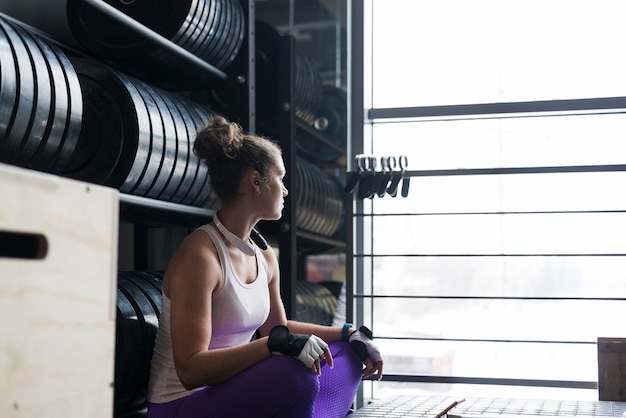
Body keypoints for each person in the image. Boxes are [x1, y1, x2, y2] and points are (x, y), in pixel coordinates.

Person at [146, 115, 383, 418]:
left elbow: (278, 329)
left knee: (346, 355)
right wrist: (273, 346)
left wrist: (350, 333)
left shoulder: (265, 255)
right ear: (255, 181)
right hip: (183, 405)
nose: (285, 191)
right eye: (280, 178)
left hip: (233, 394)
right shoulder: (201, 256)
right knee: (293, 374)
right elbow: (191, 369)